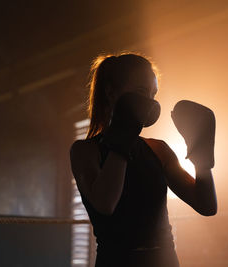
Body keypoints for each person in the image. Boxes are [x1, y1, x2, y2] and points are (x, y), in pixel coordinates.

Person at [70, 52, 217, 267]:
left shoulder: (158, 149)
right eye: (141, 92)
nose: (148, 101)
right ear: (111, 93)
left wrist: (201, 156)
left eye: (153, 94)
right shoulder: (84, 151)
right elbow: (105, 204)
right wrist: (123, 135)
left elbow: (207, 206)